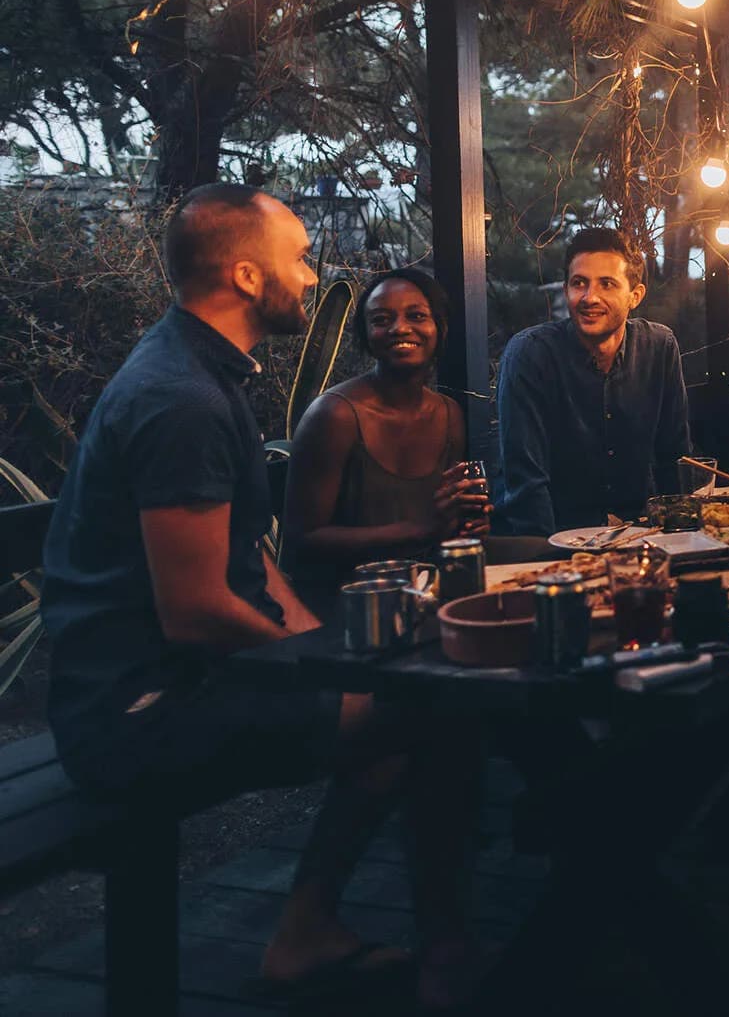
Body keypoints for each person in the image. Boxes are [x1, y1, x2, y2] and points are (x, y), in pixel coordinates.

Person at [40, 185, 477, 1009]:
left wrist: (335, 652)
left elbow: (250, 557)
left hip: (179, 681)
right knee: (430, 713)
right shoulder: (182, 400)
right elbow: (197, 609)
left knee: (405, 697)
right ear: (246, 274)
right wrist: (325, 671)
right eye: (300, 257)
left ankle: (311, 930)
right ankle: (435, 945)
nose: (313, 278)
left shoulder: (208, 374)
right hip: (135, 711)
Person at [281, 267, 499, 621]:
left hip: (426, 592)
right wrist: (422, 529)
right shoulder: (335, 416)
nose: (400, 328)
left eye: (416, 316)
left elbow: (443, 527)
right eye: (382, 319)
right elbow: (302, 541)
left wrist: (465, 526)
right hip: (350, 607)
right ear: (367, 336)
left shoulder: (449, 414)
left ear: (439, 328)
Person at [494, 226, 692, 536]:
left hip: (639, 535)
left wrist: (683, 539)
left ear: (635, 296)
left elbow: (674, 458)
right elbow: (526, 484)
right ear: (566, 290)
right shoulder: (530, 355)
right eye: (579, 283)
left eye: (607, 284)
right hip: (556, 541)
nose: (589, 297)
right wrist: (555, 566)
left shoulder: (659, 346)